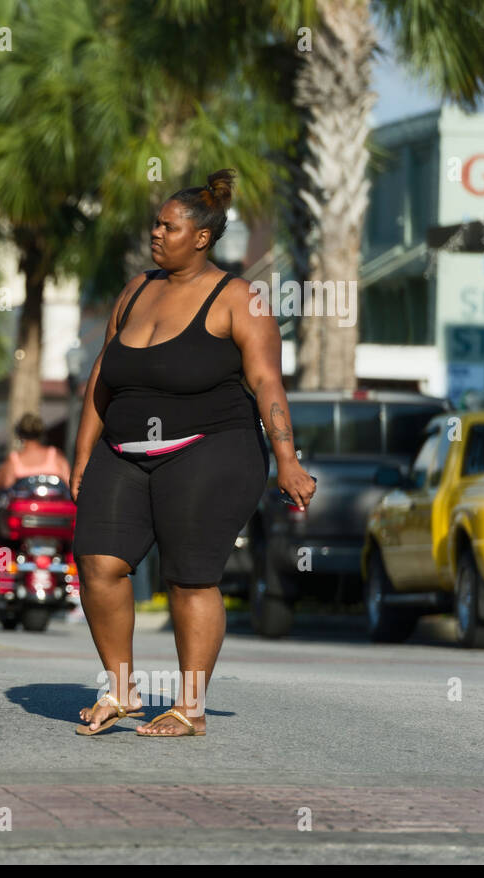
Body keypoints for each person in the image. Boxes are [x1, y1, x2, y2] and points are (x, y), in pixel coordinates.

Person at [70, 168, 316, 737]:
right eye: (156, 224)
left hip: (211, 449)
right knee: (99, 564)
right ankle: (123, 690)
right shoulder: (135, 290)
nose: (157, 233)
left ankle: (190, 706)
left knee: (190, 578)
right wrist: (82, 455)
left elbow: (267, 385)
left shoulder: (238, 299)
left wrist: (287, 459)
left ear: (201, 237)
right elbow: (102, 380)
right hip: (123, 449)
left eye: (169, 226)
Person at [0, 413, 72, 548]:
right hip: (57, 519)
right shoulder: (56, 457)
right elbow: (71, 485)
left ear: (19, 434)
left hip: (22, 521)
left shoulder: (14, 461)